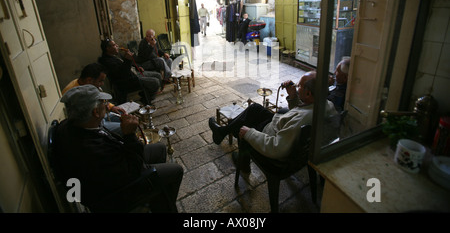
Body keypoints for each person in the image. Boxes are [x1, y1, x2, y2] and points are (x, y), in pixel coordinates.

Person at [54, 85, 183, 212]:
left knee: (160, 148)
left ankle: (159, 198)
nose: (106, 105)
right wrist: (129, 135)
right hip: (120, 190)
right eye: (103, 103)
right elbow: (133, 169)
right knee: (176, 170)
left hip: (118, 166)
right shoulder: (90, 150)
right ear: (96, 112)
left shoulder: (73, 124)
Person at [208, 71, 337, 172]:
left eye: (300, 86)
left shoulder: (301, 119)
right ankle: (222, 132)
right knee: (255, 108)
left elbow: (277, 148)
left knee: (244, 127)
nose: (297, 87)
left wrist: (250, 133)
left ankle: (243, 163)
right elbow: (300, 112)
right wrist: (293, 97)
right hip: (282, 129)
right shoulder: (327, 105)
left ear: (308, 93)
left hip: (272, 137)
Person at [62, 62, 125, 135]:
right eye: (100, 81)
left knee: (122, 115)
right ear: (89, 80)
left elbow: (97, 100)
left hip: (99, 115)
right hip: (93, 123)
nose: (102, 84)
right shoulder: (74, 93)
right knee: (124, 127)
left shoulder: (86, 85)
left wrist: (111, 107)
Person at [98, 38, 162, 105]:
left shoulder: (115, 55)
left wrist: (137, 67)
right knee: (155, 82)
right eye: (114, 45)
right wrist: (127, 60)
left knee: (158, 75)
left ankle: (146, 94)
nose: (117, 46)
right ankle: (146, 98)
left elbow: (128, 64)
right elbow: (123, 75)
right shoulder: (107, 61)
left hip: (134, 72)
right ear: (108, 48)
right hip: (130, 81)